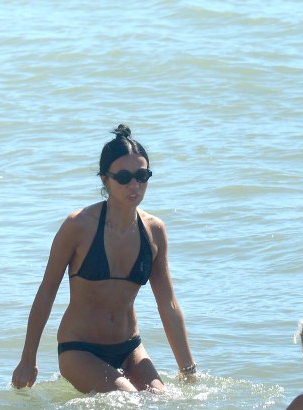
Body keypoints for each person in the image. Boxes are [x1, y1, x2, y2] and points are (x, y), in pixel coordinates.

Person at [11, 125, 196, 393]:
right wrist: (28, 358)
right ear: (104, 180)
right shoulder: (79, 226)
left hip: (130, 348)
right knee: (129, 400)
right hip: (80, 348)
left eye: (141, 176)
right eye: (123, 177)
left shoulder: (154, 231)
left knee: (162, 401)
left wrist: (188, 370)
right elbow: (47, 290)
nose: (134, 185)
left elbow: (168, 303)